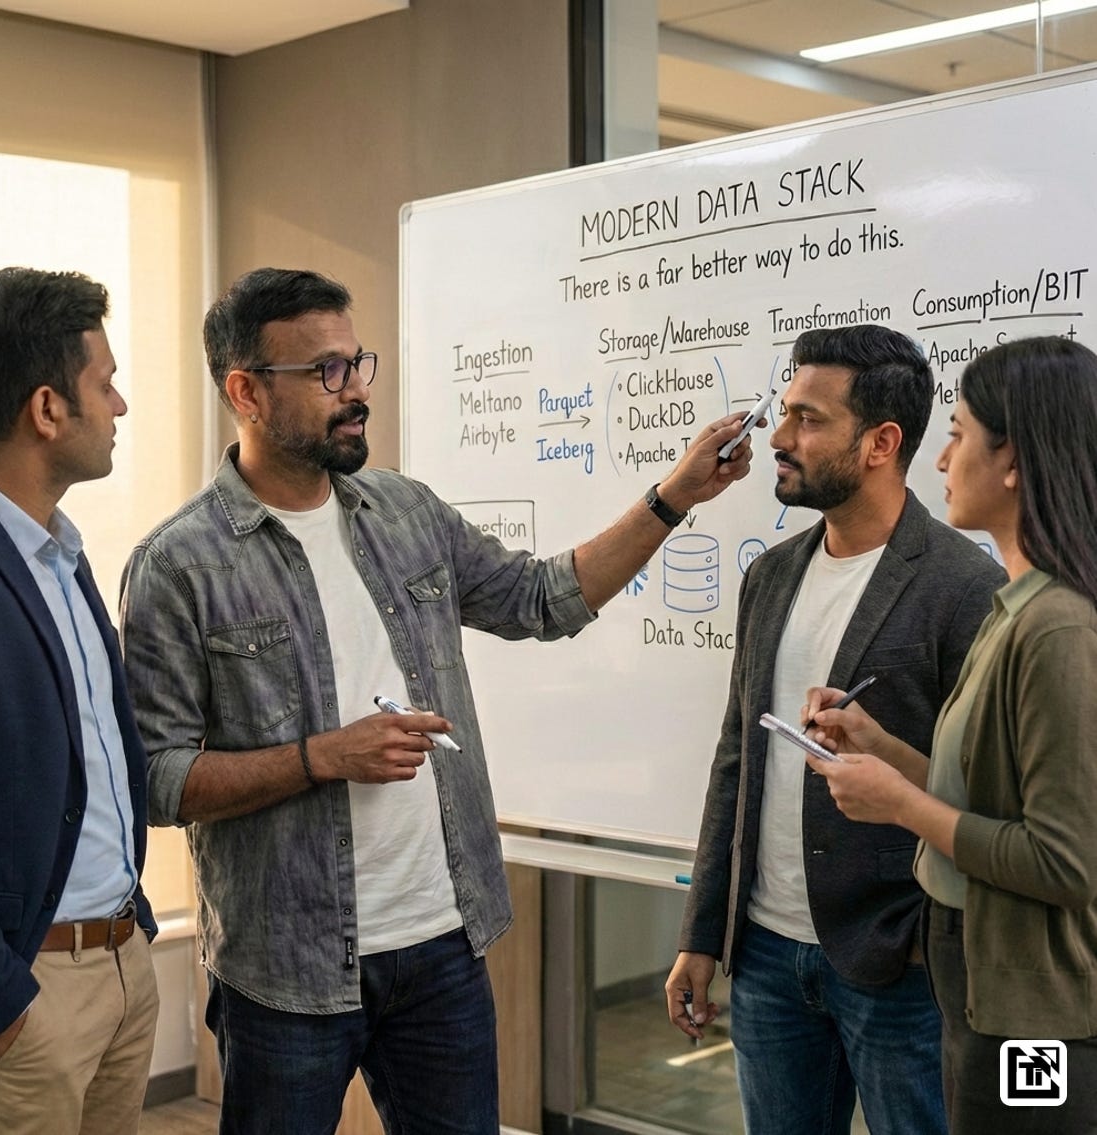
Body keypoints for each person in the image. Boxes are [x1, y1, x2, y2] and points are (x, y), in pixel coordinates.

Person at [118, 266, 755, 1135]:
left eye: (357, 363)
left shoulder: (404, 511)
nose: (356, 391)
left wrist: (673, 495)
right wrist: (321, 757)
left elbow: (541, 599)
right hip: (287, 968)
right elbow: (159, 781)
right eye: (326, 372)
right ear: (246, 392)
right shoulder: (178, 565)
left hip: (440, 944)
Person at [665, 324, 1006, 1135]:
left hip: (899, 962)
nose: (777, 437)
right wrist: (703, 931)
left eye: (807, 419)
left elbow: (986, 790)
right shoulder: (770, 575)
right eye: (784, 412)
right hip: (764, 955)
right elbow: (736, 757)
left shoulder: (966, 586)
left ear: (880, 442)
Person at [805, 336, 1097, 1134]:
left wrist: (898, 804)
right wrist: (881, 749)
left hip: (1032, 1015)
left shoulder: (1056, 627)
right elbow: (987, 798)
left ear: (1013, 461)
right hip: (979, 982)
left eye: (959, 434)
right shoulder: (1015, 607)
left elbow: (1062, 861)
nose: (940, 459)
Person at [0, 267, 159, 1135]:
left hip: (119, 967)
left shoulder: (62, 553)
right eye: (104, 383)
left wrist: (134, 930)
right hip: (29, 1000)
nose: (120, 405)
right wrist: (1, 1002)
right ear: (47, 409)